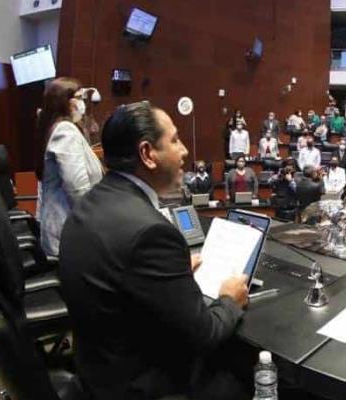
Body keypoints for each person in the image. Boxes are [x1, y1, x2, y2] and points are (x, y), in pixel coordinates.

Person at [59, 101, 249, 400]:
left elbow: (120, 276)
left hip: (96, 371)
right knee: (249, 374)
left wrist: (170, 273)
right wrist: (229, 298)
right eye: (174, 140)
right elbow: (206, 334)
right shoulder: (152, 232)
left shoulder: (89, 203)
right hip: (142, 386)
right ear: (147, 154)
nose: (184, 150)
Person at [36, 77, 103, 258]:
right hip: (67, 230)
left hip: (67, 226)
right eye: (79, 98)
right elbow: (78, 190)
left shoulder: (58, 127)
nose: (83, 104)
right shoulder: (65, 131)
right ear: (64, 101)